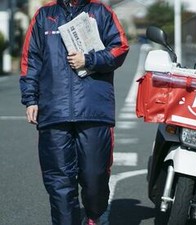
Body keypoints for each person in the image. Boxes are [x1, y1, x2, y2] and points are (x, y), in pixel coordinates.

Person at [19, 0, 129, 225]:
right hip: (53, 111)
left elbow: (119, 48)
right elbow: (31, 60)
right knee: (59, 182)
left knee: (94, 176)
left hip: (94, 110)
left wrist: (88, 59)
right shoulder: (44, 15)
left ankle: (94, 215)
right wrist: (31, 99)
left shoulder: (101, 12)